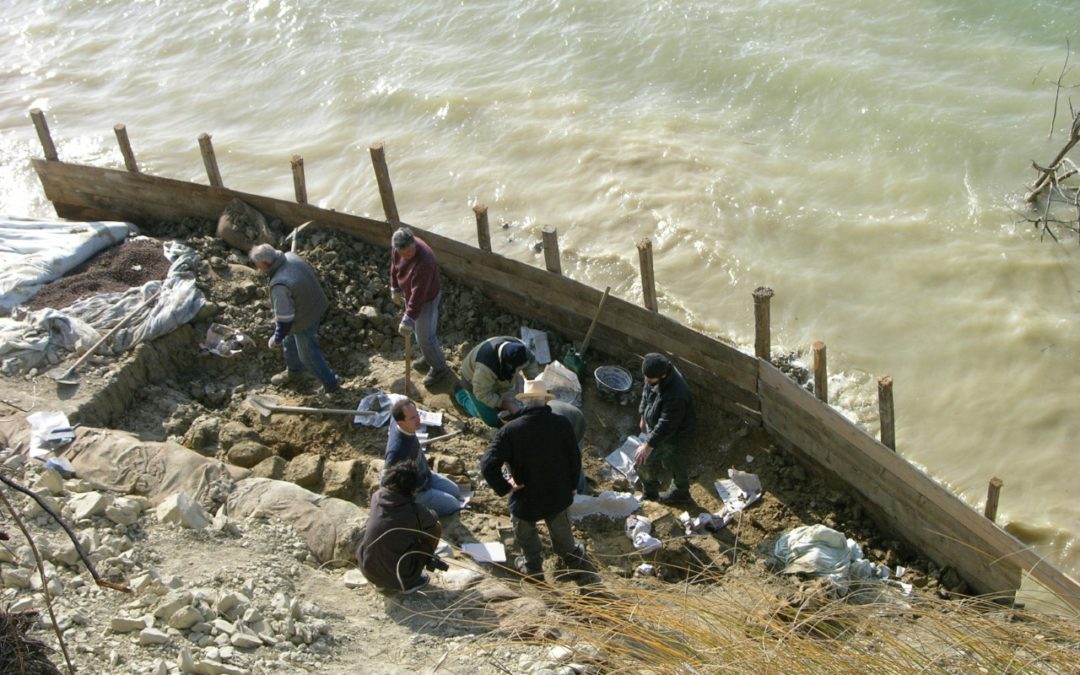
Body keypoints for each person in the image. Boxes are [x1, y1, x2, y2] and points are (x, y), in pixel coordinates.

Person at [480, 378, 585, 582]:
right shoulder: (562, 424)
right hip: (558, 493)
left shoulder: (510, 431)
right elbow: (575, 458)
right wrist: (572, 485)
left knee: (525, 532)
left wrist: (506, 487)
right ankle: (572, 560)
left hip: (526, 496)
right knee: (561, 528)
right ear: (546, 401)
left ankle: (533, 567)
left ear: (524, 403)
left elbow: (487, 465)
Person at [249, 243, 339, 393]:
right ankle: (294, 372)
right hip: (316, 303)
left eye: (258, 266)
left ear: (265, 264)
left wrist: (276, 339)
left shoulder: (280, 284)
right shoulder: (290, 257)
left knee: (308, 355)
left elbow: (285, 321)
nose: (258, 269)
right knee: (289, 340)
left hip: (305, 318)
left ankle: (331, 385)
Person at [356, 462, 443, 594]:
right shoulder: (414, 511)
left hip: (367, 569)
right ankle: (412, 580)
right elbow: (434, 524)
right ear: (412, 488)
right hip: (399, 579)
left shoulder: (377, 496)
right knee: (435, 528)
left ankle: (381, 578)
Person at [390, 227, 450, 386]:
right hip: (411, 296)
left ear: (414, 243)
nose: (408, 255)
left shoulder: (425, 260)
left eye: (411, 251)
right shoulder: (398, 249)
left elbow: (419, 294)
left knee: (426, 337)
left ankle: (439, 368)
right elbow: (395, 267)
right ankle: (429, 357)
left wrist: (408, 318)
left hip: (426, 298)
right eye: (404, 253)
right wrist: (394, 287)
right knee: (419, 333)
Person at [634, 352, 697, 503]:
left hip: (674, 433)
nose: (646, 381)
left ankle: (653, 493)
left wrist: (648, 446)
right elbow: (646, 392)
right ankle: (680, 491)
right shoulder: (653, 375)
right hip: (660, 427)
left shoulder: (677, 393)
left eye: (650, 379)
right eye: (646, 377)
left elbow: (666, 424)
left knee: (645, 460)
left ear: (662, 376)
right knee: (672, 459)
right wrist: (643, 415)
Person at [384, 397, 463, 517]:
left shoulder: (398, 421)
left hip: (426, 475)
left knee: (456, 491)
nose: (418, 420)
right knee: (454, 505)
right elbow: (385, 480)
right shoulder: (397, 451)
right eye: (412, 418)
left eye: (417, 414)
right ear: (401, 423)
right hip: (418, 492)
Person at [456, 336, 541, 427]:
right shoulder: (485, 366)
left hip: (500, 379)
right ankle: (461, 395)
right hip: (473, 381)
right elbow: (482, 394)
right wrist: (504, 403)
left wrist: (535, 389)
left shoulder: (523, 351)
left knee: (516, 402)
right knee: (492, 420)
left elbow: (531, 368)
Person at [548, 399, 588, 496]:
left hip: (575, 420)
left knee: (574, 459)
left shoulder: (548, 430)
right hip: (565, 413)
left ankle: (580, 492)